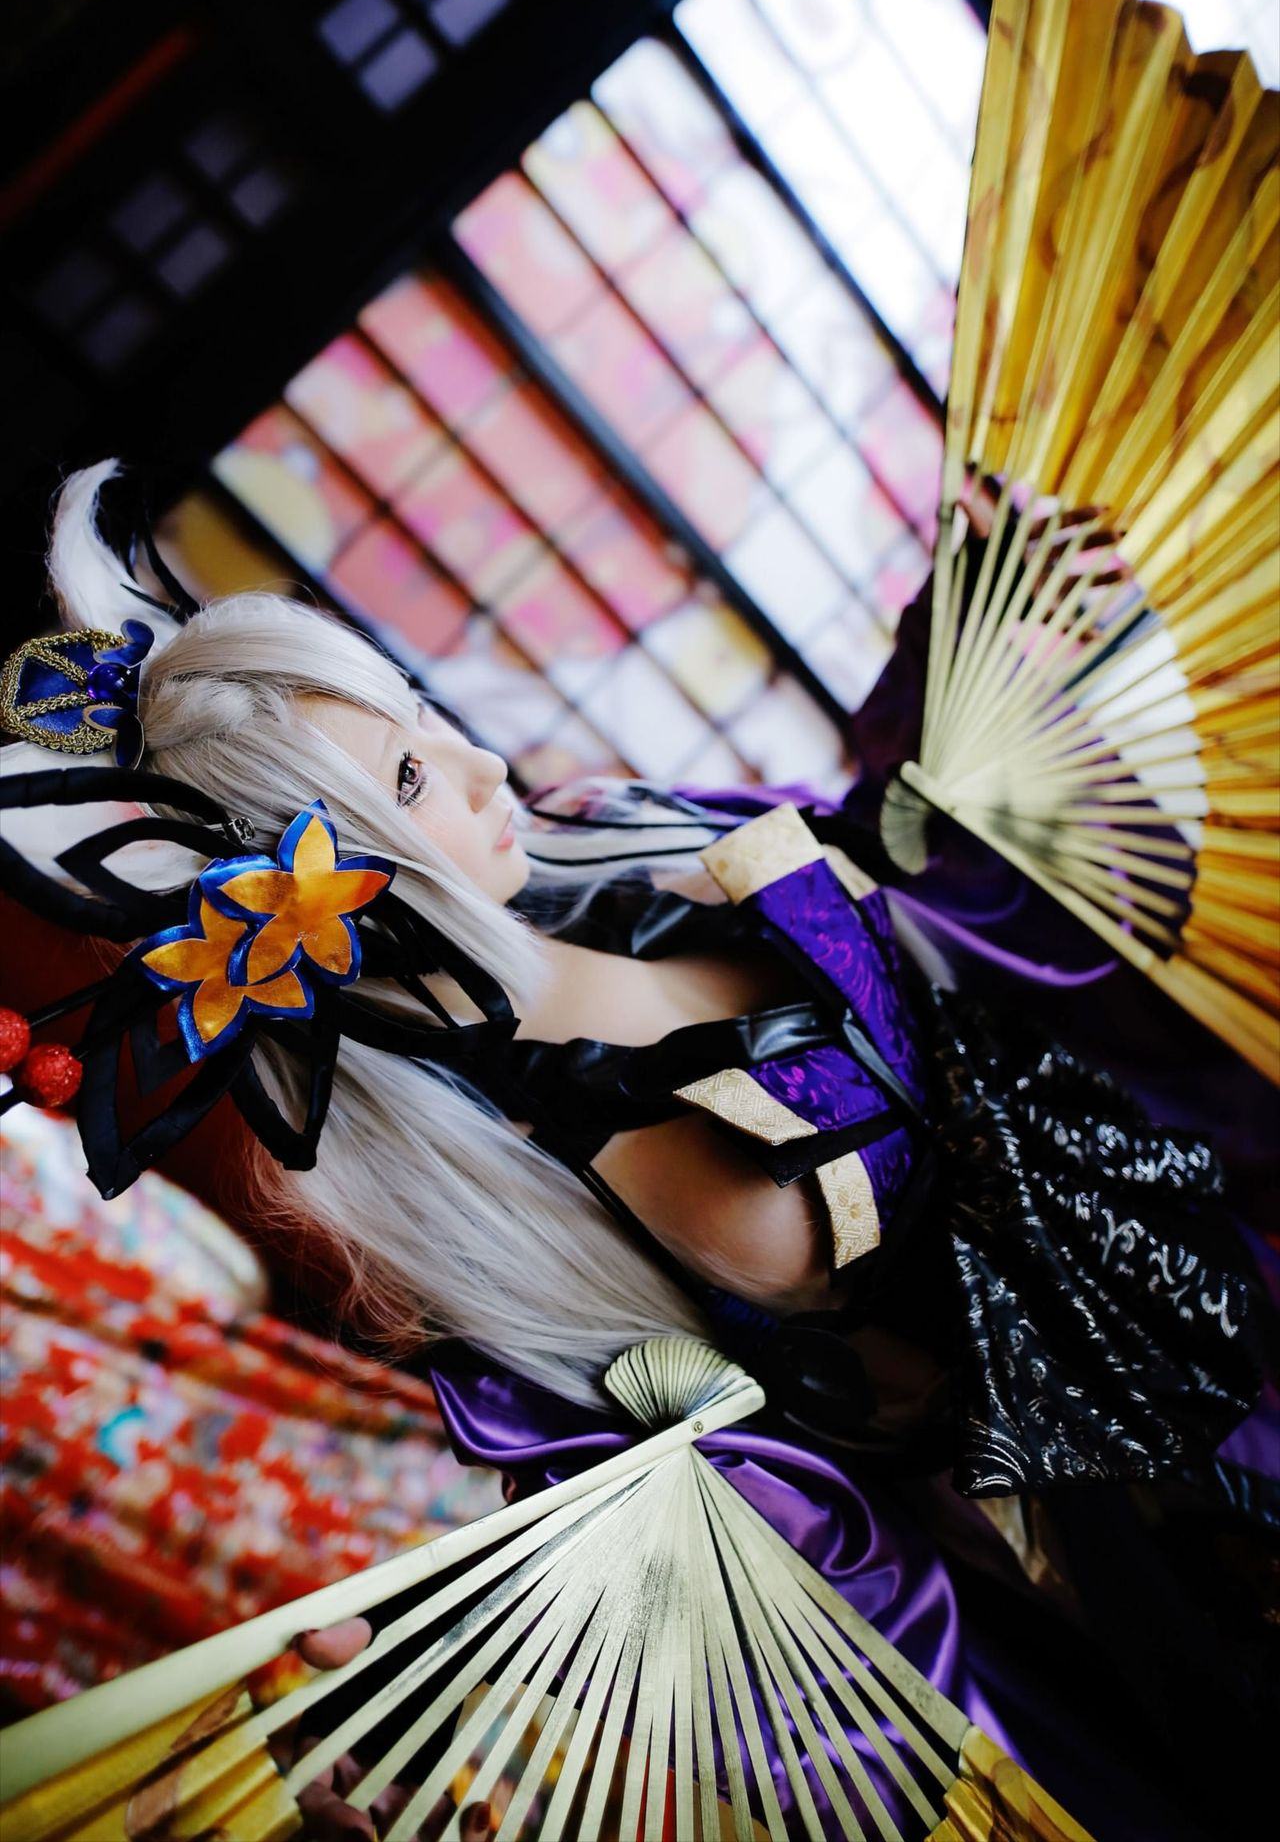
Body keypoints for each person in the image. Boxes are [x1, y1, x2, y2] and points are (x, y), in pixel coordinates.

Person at [2, 464, 1276, 1838]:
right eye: (412, 776)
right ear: (318, 908)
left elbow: (891, 854)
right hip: (1131, 1507)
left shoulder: (612, 845)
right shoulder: (521, 1221)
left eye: (421, 718)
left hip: (1192, 1210)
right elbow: (767, 1547)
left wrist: (969, 645)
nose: (486, 767)